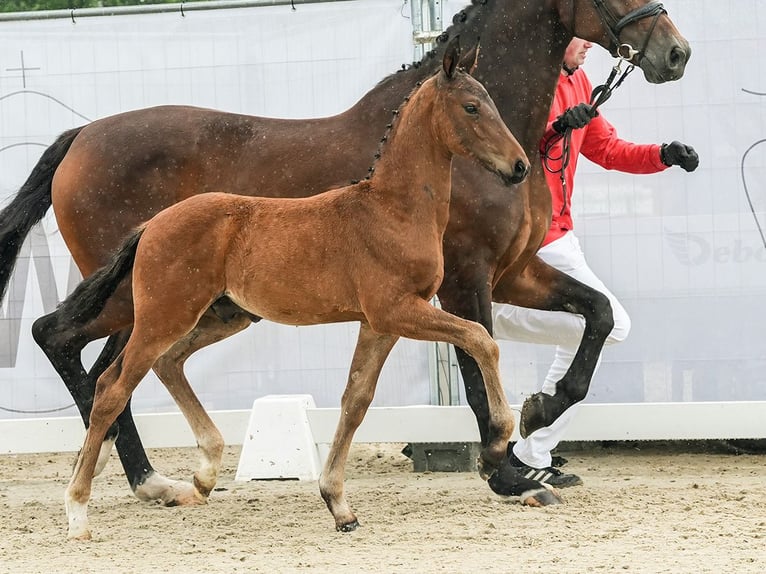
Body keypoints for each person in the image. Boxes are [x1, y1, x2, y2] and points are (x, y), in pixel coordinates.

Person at [491, 37, 699, 487]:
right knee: (607, 326)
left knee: (590, 337)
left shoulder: (580, 80)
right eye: (579, 38)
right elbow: (512, 157)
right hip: (530, 242)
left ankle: (531, 451)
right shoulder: (526, 84)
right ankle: (484, 315)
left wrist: (662, 155)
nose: (589, 45)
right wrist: (557, 128)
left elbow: (607, 148)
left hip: (563, 239)